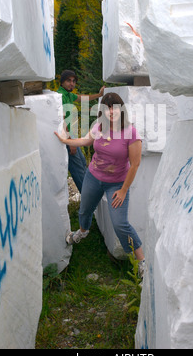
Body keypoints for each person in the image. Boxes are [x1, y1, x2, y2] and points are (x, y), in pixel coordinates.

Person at [55, 92, 146, 278]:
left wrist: (123, 191)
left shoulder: (130, 132)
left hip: (116, 184)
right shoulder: (99, 126)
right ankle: (82, 231)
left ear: (121, 109)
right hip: (93, 177)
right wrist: (65, 141)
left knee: (120, 224)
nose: (111, 111)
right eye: (107, 107)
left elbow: (135, 164)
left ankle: (141, 262)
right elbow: (85, 141)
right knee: (84, 210)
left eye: (115, 107)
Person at [57, 70, 105, 192]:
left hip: (72, 138)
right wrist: (70, 141)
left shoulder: (68, 95)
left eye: (73, 81)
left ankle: (89, 197)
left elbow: (82, 98)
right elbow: (62, 120)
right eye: (68, 81)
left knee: (82, 163)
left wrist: (99, 95)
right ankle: (87, 199)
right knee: (78, 170)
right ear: (62, 82)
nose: (71, 84)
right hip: (68, 139)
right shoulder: (60, 96)